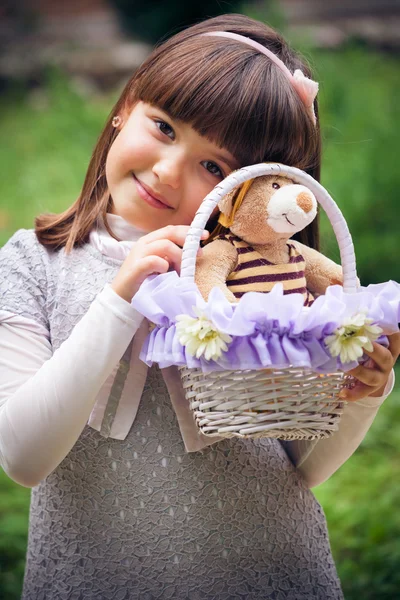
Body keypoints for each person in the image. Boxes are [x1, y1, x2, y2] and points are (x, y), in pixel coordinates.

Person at [0, 13, 398, 600]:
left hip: (274, 576)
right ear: (126, 105)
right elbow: (23, 457)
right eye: (163, 127)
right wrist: (120, 300)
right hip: (92, 577)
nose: (167, 171)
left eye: (214, 167)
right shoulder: (35, 262)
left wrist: (363, 394)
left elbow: (305, 467)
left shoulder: (257, 284)